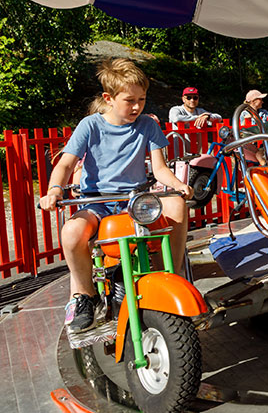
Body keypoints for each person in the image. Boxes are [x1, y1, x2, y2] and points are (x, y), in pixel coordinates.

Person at [39, 59, 193, 333]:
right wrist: (54, 190)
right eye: (130, 100)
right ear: (109, 99)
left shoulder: (147, 125)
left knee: (177, 205)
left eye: (142, 99)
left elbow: (159, 169)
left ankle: (171, 273)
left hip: (133, 201)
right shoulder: (90, 125)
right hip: (95, 201)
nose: (137, 106)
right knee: (73, 233)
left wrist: (178, 185)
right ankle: (85, 294)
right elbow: (65, 164)